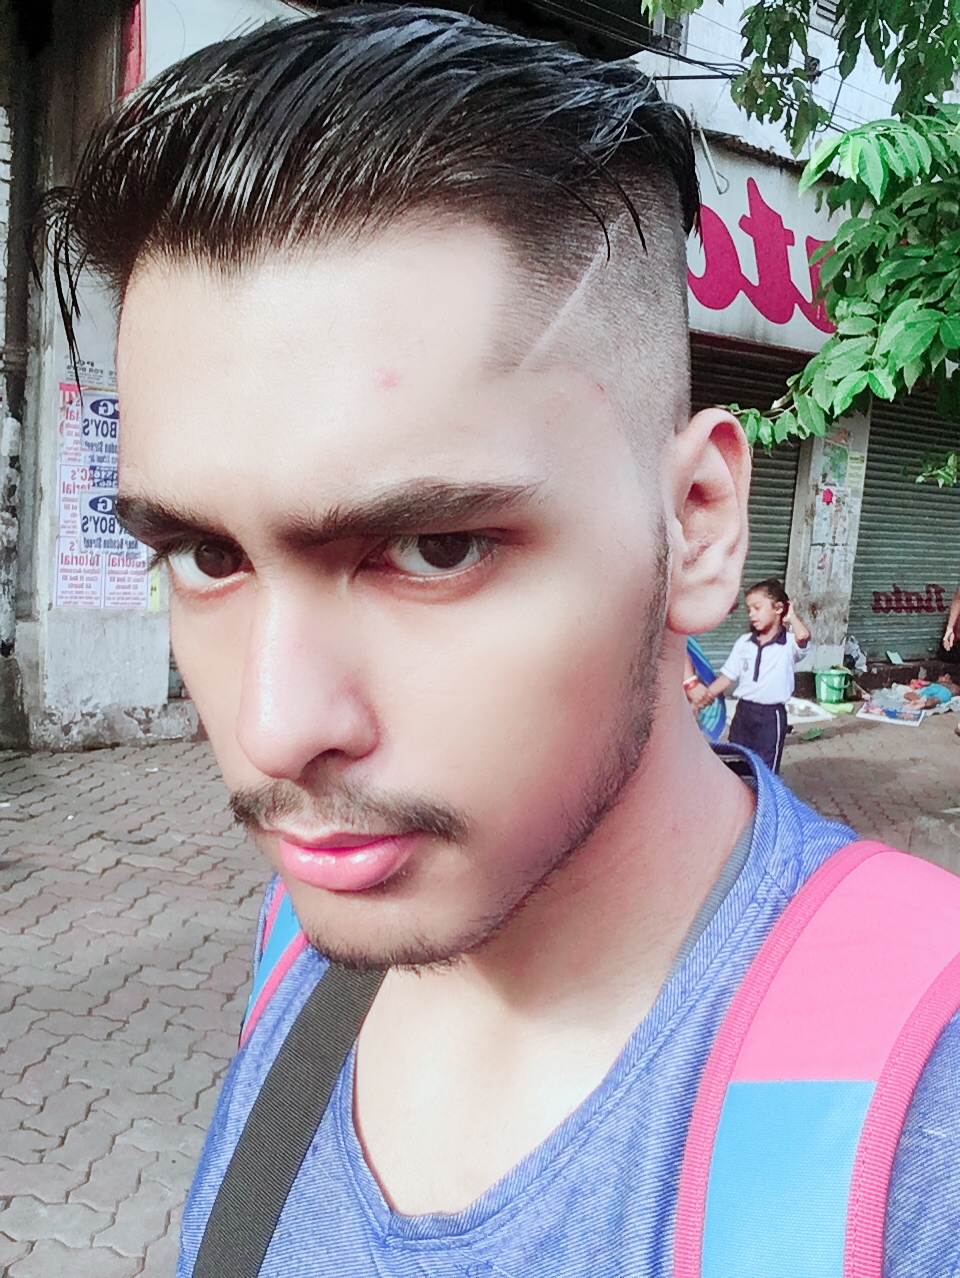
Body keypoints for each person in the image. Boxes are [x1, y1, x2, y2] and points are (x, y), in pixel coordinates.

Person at [46, 8, 960, 1276]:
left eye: (434, 548)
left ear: (698, 524)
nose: (273, 728)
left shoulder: (921, 1145)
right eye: (207, 556)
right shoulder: (308, 941)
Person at [699, 579, 810, 773]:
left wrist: (791, 616)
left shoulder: (788, 644)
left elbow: (803, 636)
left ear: (778, 608)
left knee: (766, 768)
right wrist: (703, 697)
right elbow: (727, 677)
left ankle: (762, 792)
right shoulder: (745, 643)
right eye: (749, 609)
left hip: (771, 716)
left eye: (757, 608)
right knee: (736, 761)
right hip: (744, 712)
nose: (752, 614)